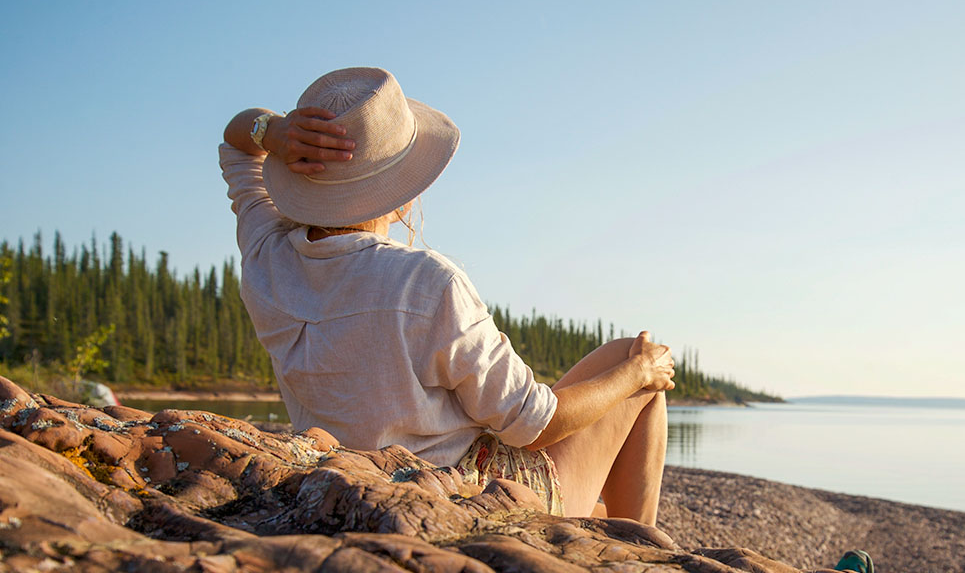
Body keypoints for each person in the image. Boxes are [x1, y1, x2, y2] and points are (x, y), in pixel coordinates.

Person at [220, 67, 674, 524]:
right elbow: (535, 425)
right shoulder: (426, 282)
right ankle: (643, 545)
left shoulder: (267, 256)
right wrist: (636, 374)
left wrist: (272, 130)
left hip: (352, 483)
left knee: (599, 506)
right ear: (399, 196)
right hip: (463, 496)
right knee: (635, 366)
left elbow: (235, 142)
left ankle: (612, 529)